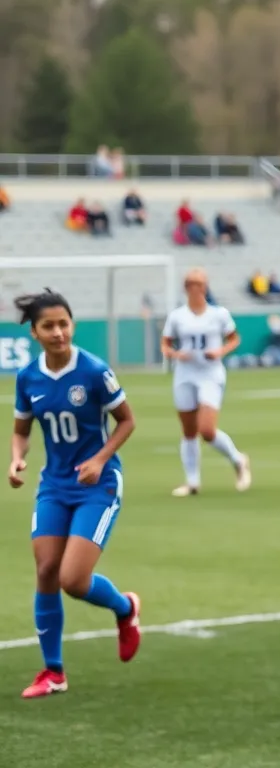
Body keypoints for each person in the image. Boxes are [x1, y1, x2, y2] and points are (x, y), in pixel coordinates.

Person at [8, 289, 142, 698]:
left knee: (72, 579)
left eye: (63, 324)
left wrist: (100, 459)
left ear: (73, 325)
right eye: (48, 326)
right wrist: (16, 460)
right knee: (46, 570)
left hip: (97, 485)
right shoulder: (28, 377)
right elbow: (21, 430)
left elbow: (126, 422)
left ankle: (125, 608)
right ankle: (53, 672)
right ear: (34, 332)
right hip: (54, 484)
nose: (58, 332)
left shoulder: (95, 371)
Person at [160, 268, 252, 497]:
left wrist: (220, 351)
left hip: (210, 374)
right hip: (185, 373)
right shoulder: (177, 316)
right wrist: (175, 354)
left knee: (207, 430)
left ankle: (238, 460)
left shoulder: (218, 314)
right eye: (190, 284)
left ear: (205, 287)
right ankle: (192, 482)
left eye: (198, 284)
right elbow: (165, 344)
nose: (194, 289)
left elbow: (235, 339)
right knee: (189, 430)